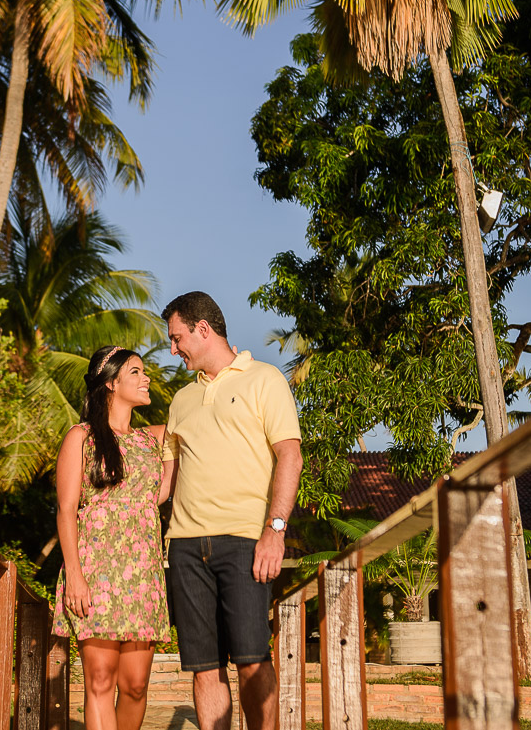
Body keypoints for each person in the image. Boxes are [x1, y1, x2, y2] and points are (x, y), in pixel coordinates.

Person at [159, 291, 304, 730]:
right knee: (204, 667)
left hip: (244, 541)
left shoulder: (264, 379)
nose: (173, 349)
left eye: (177, 337)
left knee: (252, 661)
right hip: (183, 548)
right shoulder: (181, 400)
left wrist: (274, 530)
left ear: (203, 330)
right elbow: (163, 483)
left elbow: (290, 456)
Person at [52, 345, 174, 730]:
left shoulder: (151, 439)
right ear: (110, 383)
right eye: (136, 372)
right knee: (101, 679)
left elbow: (162, 492)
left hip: (143, 574)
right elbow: (66, 509)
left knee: (135, 685)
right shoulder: (81, 436)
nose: (146, 378)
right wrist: (74, 573)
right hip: (95, 570)